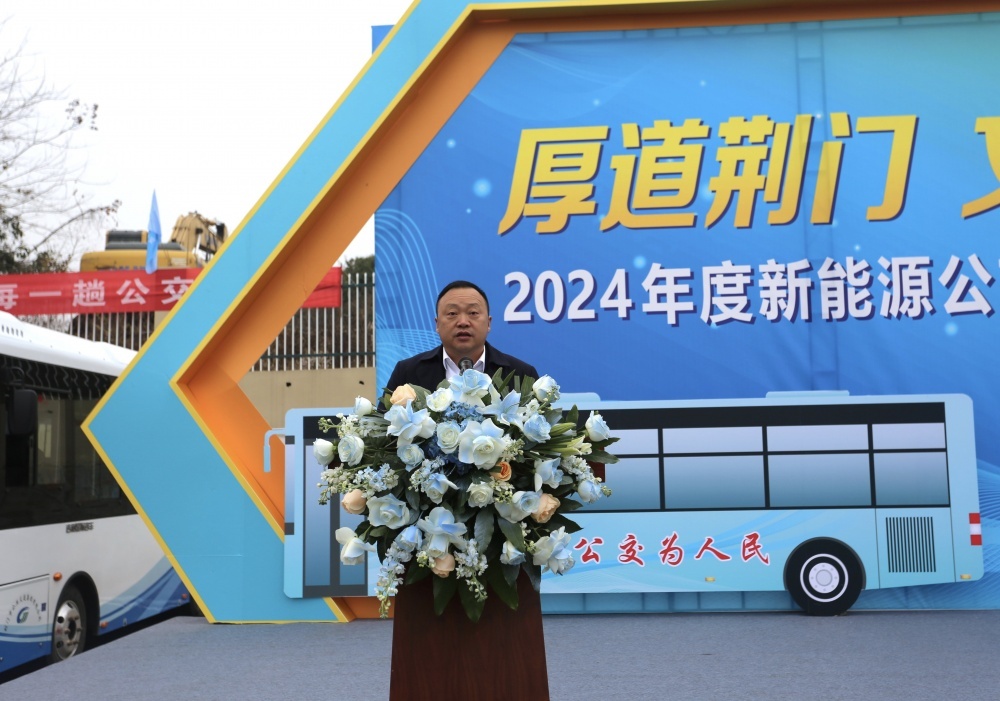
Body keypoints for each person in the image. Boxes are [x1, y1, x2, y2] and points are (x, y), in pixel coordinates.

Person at [382, 280, 538, 395]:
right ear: (437, 324)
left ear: (488, 323)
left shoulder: (522, 375)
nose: (463, 322)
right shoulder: (407, 373)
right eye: (452, 313)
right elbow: (384, 427)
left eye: (473, 313)